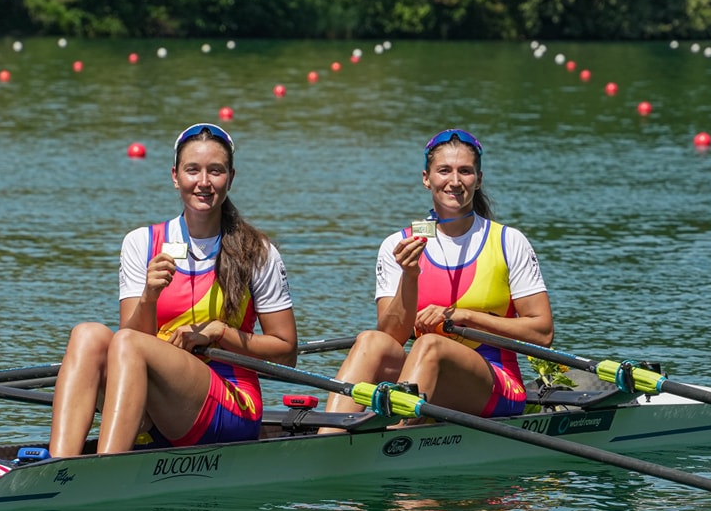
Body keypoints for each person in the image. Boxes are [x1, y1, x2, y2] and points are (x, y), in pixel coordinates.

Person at [49, 123, 297, 457]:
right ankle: (60, 464)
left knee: (127, 342)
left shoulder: (258, 252)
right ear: (175, 176)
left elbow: (286, 352)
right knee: (88, 335)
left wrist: (219, 332)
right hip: (158, 404)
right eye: (192, 170)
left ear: (231, 178)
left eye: (216, 171)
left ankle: (106, 468)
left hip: (230, 402)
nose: (204, 183)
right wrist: (149, 296)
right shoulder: (140, 243)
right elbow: (131, 341)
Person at [322, 129, 553, 426]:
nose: (454, 181)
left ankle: (393, 438)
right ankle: (328, 436)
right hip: (425, 370)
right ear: (426, 178)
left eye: (465, 171)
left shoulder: (509, 242)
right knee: (370, 341)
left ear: (478, 180)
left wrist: (465, 317)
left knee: (431, 345)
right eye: (444, 171)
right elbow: (392, 337)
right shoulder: (399, 244)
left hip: (498, 384)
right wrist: (409, 274)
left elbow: (543, 333)